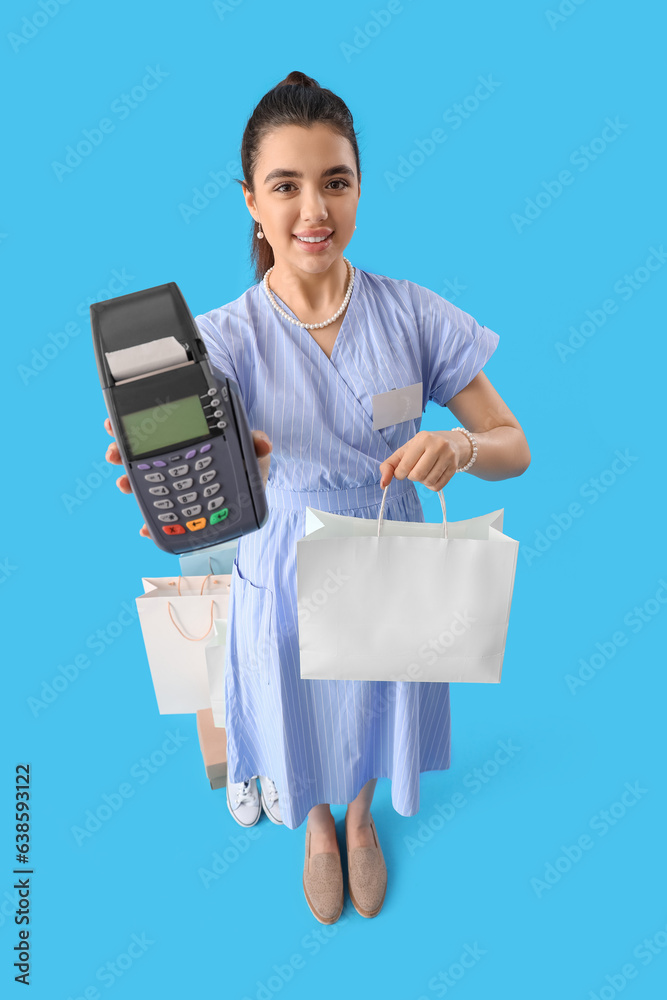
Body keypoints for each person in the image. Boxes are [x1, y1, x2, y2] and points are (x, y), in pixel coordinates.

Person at [104, 70, 531, 924]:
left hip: (389, 557)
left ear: (359, 187)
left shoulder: (413, 314)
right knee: (297, 713)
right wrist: (211, 482)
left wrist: (461, 442)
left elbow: (514, 447)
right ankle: (316, 828)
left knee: (378, 703)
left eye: (335, 181)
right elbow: (204, 466)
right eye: (285, 185)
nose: (314, 209)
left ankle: (363, 816)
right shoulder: (217, 341)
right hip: (282, 565)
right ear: (250, 203)